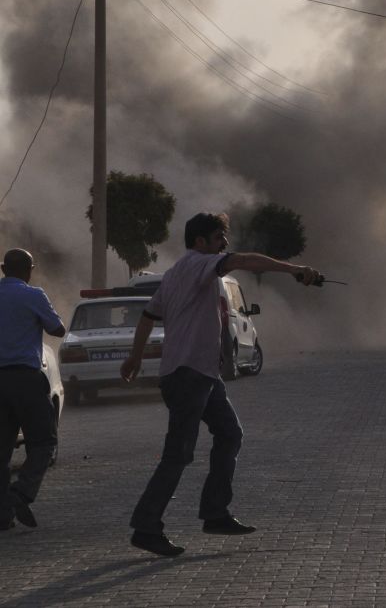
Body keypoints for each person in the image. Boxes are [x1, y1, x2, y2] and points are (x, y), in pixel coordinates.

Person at [120, 212, 320, 557]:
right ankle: (146, 527)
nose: (224, 245)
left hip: (199, 375)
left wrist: (135, 357)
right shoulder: (199, 264)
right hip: (188, 375)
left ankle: (215, 513)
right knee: (178, 455)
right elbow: (242, 259)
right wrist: (294, 269)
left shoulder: (173, 275)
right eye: (218, 238)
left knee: (230, 434)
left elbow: (148, 317)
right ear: (200, 242)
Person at [0, 249, 66, 530]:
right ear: (29, 270)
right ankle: (21, 492)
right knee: (44, 441)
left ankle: (3, 516)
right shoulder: (33, 295)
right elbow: (58, 330)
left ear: (3, 269)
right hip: (26, 378)